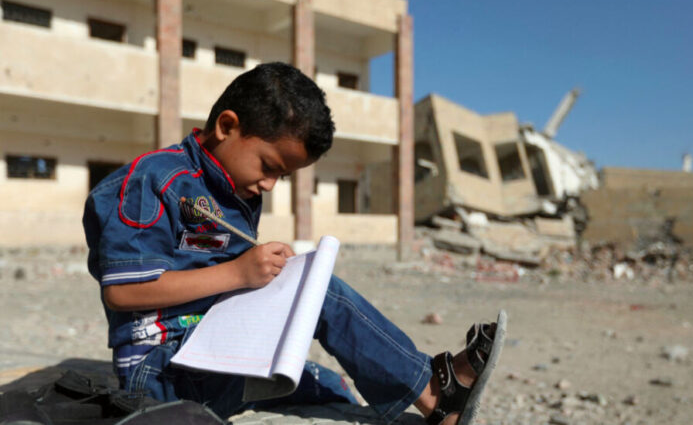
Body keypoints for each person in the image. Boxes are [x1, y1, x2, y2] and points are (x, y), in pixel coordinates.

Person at [83, 62, 505, 425]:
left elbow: (221, 282)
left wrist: (264, 275)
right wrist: (237, 272)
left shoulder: (235, 188)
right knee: (318, 292)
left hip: (213, 351)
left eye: (281, 176)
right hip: (161, 372)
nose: (269, 183)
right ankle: (435, 392)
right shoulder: (154, 180)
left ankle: (421, 386)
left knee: (330, 383)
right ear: (228, 126)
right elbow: (123, 290)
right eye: (268, 166)